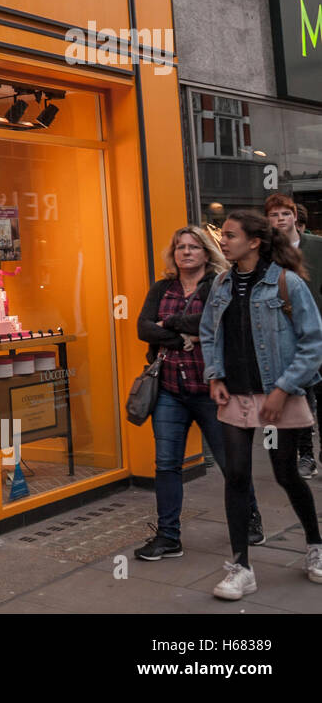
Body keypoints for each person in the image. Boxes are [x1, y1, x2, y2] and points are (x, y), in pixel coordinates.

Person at [199, 210, 322, 598]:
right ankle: (241, 567)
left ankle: (315, 546)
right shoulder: (221, 283)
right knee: (236, 475)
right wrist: (215, 375)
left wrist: (284, 389)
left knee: (286, 473)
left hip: (276, 392)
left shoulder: (286, 283)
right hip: (236, 394)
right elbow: (208, 333)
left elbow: (313, 341)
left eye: (231, 235)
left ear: (254, 242)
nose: (224, 240)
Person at [134, 227, 262, 559]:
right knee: (166, 464)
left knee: (230, 462)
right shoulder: (162, 288)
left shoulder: (219, 285)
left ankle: (250, 520)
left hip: (213, 391)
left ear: (206, 252)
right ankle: (168, 536)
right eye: (180, 247)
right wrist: (181, 338)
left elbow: (214, 323)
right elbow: (143, 327)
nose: (186, 252)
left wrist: (171, 323)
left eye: (193, 247)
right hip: (170, 392)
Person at [265, 192, 322, 479]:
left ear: (295, 217)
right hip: (284, 335)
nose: (280, 219)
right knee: (300, 397)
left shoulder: (316, 246)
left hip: (317, 332)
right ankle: (306, 456)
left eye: (284, 214)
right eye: (274, 215)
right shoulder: (266, 252)